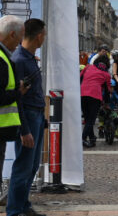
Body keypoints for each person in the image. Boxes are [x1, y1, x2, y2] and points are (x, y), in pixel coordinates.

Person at [7, 18, 46, 216]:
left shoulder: (29, 58)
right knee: (23, 166)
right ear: (39, 36)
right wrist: (24, 129)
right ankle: (14, 210)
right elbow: (18, 99)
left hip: (37, 114)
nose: (44, 39)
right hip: (28, 117)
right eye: (44, 35)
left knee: (31, 166)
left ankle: (23, 205)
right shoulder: (19, 60)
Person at [0, 16, 26, 202]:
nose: (19, 44)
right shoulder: (2, 59)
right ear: (11, 34)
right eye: (19, 39)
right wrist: (19, 92)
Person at [80, 55, 112, 148]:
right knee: (91, 120)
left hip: (82, 94)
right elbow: (107, 91)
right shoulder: (106, 75)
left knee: (87, 119)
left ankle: (92, 138)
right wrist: (107, 103)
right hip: (95, 96)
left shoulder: (88, 67)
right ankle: (82, 138)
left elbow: (80, 78)